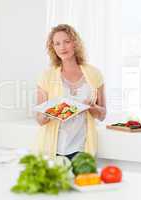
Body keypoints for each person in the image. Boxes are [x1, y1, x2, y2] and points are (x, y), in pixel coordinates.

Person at [36, 24, 106, 160]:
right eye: (57, 43)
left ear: (75, 43)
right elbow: (40, 120)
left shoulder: (94, 74)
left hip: (83, 147)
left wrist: (93, 108)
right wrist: (49, 113)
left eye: (66, 41)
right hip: (53, 148)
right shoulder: (46, 76)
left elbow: (102, 115)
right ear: (53, 48)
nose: (62, 47)